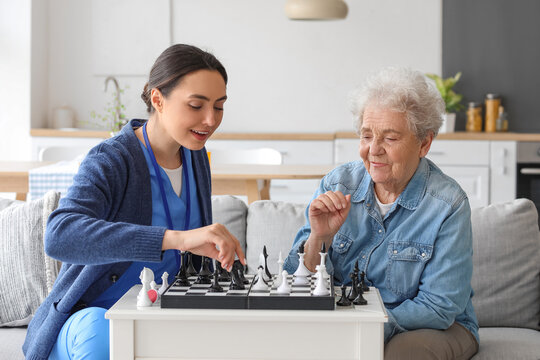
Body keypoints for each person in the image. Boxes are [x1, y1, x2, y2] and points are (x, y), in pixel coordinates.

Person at [23, 44, 246, 359]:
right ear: (157, 99)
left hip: (155, 314)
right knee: (104, 337)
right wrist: (175, 239)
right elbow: (60, 235)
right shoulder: (112, 159)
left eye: (219, 106)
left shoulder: (195, 156)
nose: (210, 120)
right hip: (94, 318)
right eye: (196, 105)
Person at [284, 67, 479, 359]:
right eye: (366, 136)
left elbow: (439, 307)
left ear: (424, 143)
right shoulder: (337, 184)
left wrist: (365, 326)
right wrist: (319, 238)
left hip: (435, 328)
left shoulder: (448, 204)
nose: (373, 150)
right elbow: (292, 280)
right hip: (350, 322)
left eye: (390, 138)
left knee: (398, 354)